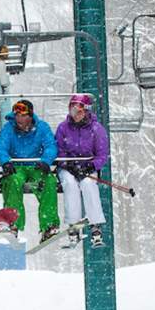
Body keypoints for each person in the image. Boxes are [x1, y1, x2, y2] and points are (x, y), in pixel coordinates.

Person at [0, 99, 60, 240]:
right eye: (17, 115)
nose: (20, 119)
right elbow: (1, 147)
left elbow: (50, 146)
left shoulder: (42, 128)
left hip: (36, 166)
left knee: (48, 181)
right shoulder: (8, 129)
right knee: (13, 181)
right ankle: (13, 223)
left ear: (30, 116)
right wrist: (5, 161)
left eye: (23, 115)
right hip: (17, 167)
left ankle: (49, 225)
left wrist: (46, 161)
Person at [55, 93, 109, 246]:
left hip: (87, 166)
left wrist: (91, 166)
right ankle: (73, 225)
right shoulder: (63, 128)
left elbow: (102, 154)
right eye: (72, 111)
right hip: (68, 167)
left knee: (88, 184)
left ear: (86, 111)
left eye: (79, 111)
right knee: (70, 184)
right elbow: (59, 149)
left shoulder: (96, 129)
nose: (76, 115)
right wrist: (68, 164)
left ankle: (96, 226)